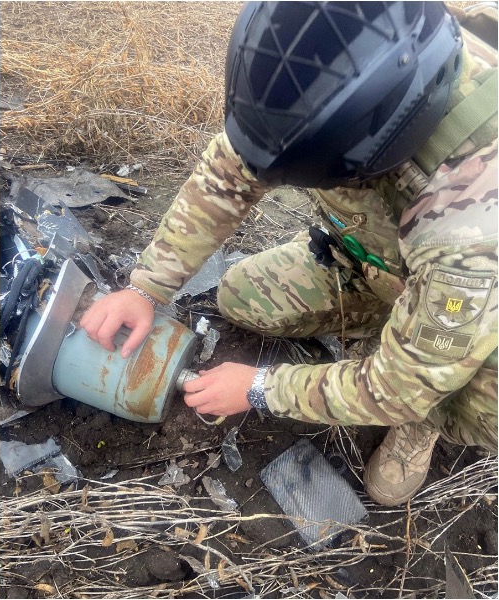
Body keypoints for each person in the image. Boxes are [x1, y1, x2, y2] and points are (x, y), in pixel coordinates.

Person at [80, 1, 497, 506]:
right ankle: (385, 322)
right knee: (242, 295)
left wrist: (261, 389)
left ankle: (424, 427)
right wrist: (147, 285)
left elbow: (407, 383)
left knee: (476, 408)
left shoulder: (470, 225)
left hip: (473, 313)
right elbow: (227, 174)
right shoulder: (317, 66)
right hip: (379, 264)